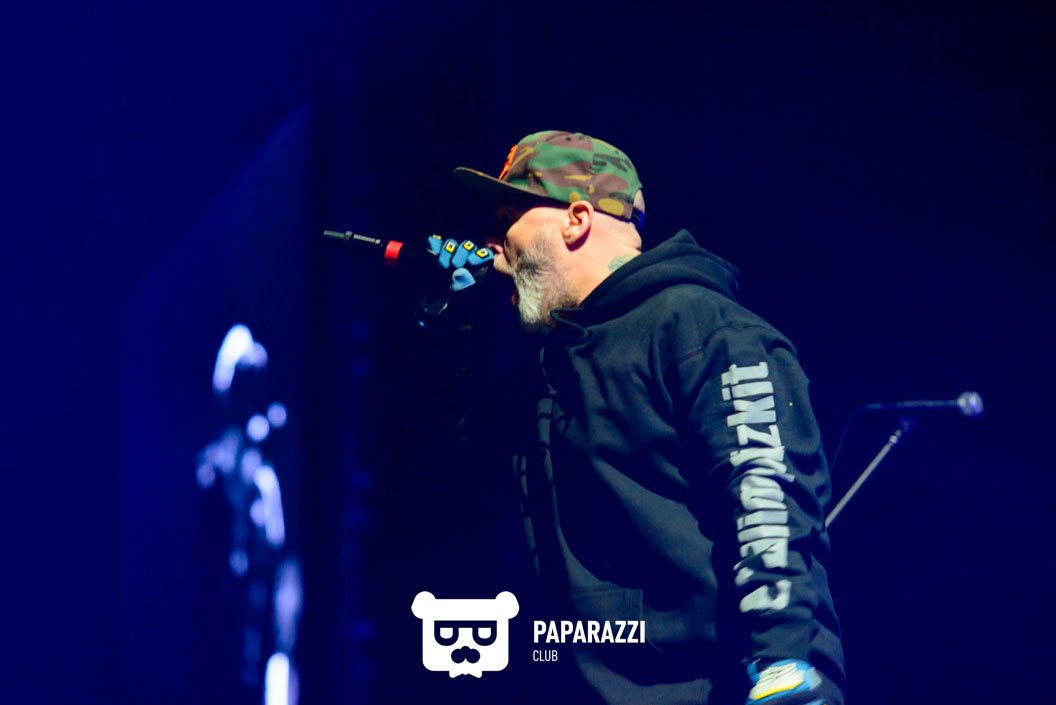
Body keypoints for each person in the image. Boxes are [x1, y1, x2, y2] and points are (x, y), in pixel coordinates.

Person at [444, 130, 846, 705]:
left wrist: (782, 660)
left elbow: (765, 491)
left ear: (576, 220)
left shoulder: (702, 328)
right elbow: (463, 485)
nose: (492, 244)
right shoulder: (552, 362)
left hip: (731, 689)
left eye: (509, 219)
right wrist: (456, 328)